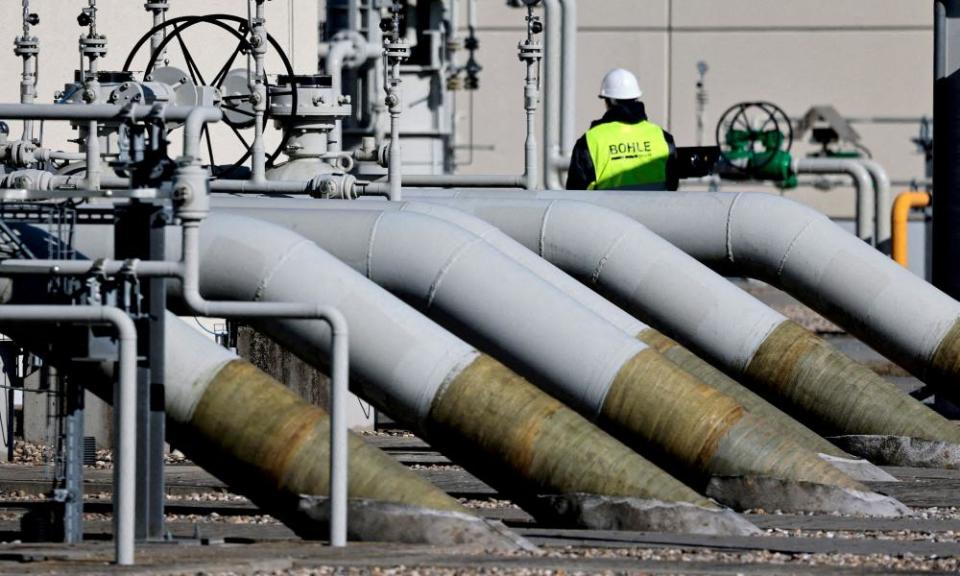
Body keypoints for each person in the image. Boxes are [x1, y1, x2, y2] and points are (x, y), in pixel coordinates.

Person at [566, 68, 678, 191]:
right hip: (655, 209)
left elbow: (574, 192)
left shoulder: (590, 141)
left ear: (608, 101)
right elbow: (673, 185)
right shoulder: (662, 137)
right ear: (636, 98)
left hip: (605, 210)